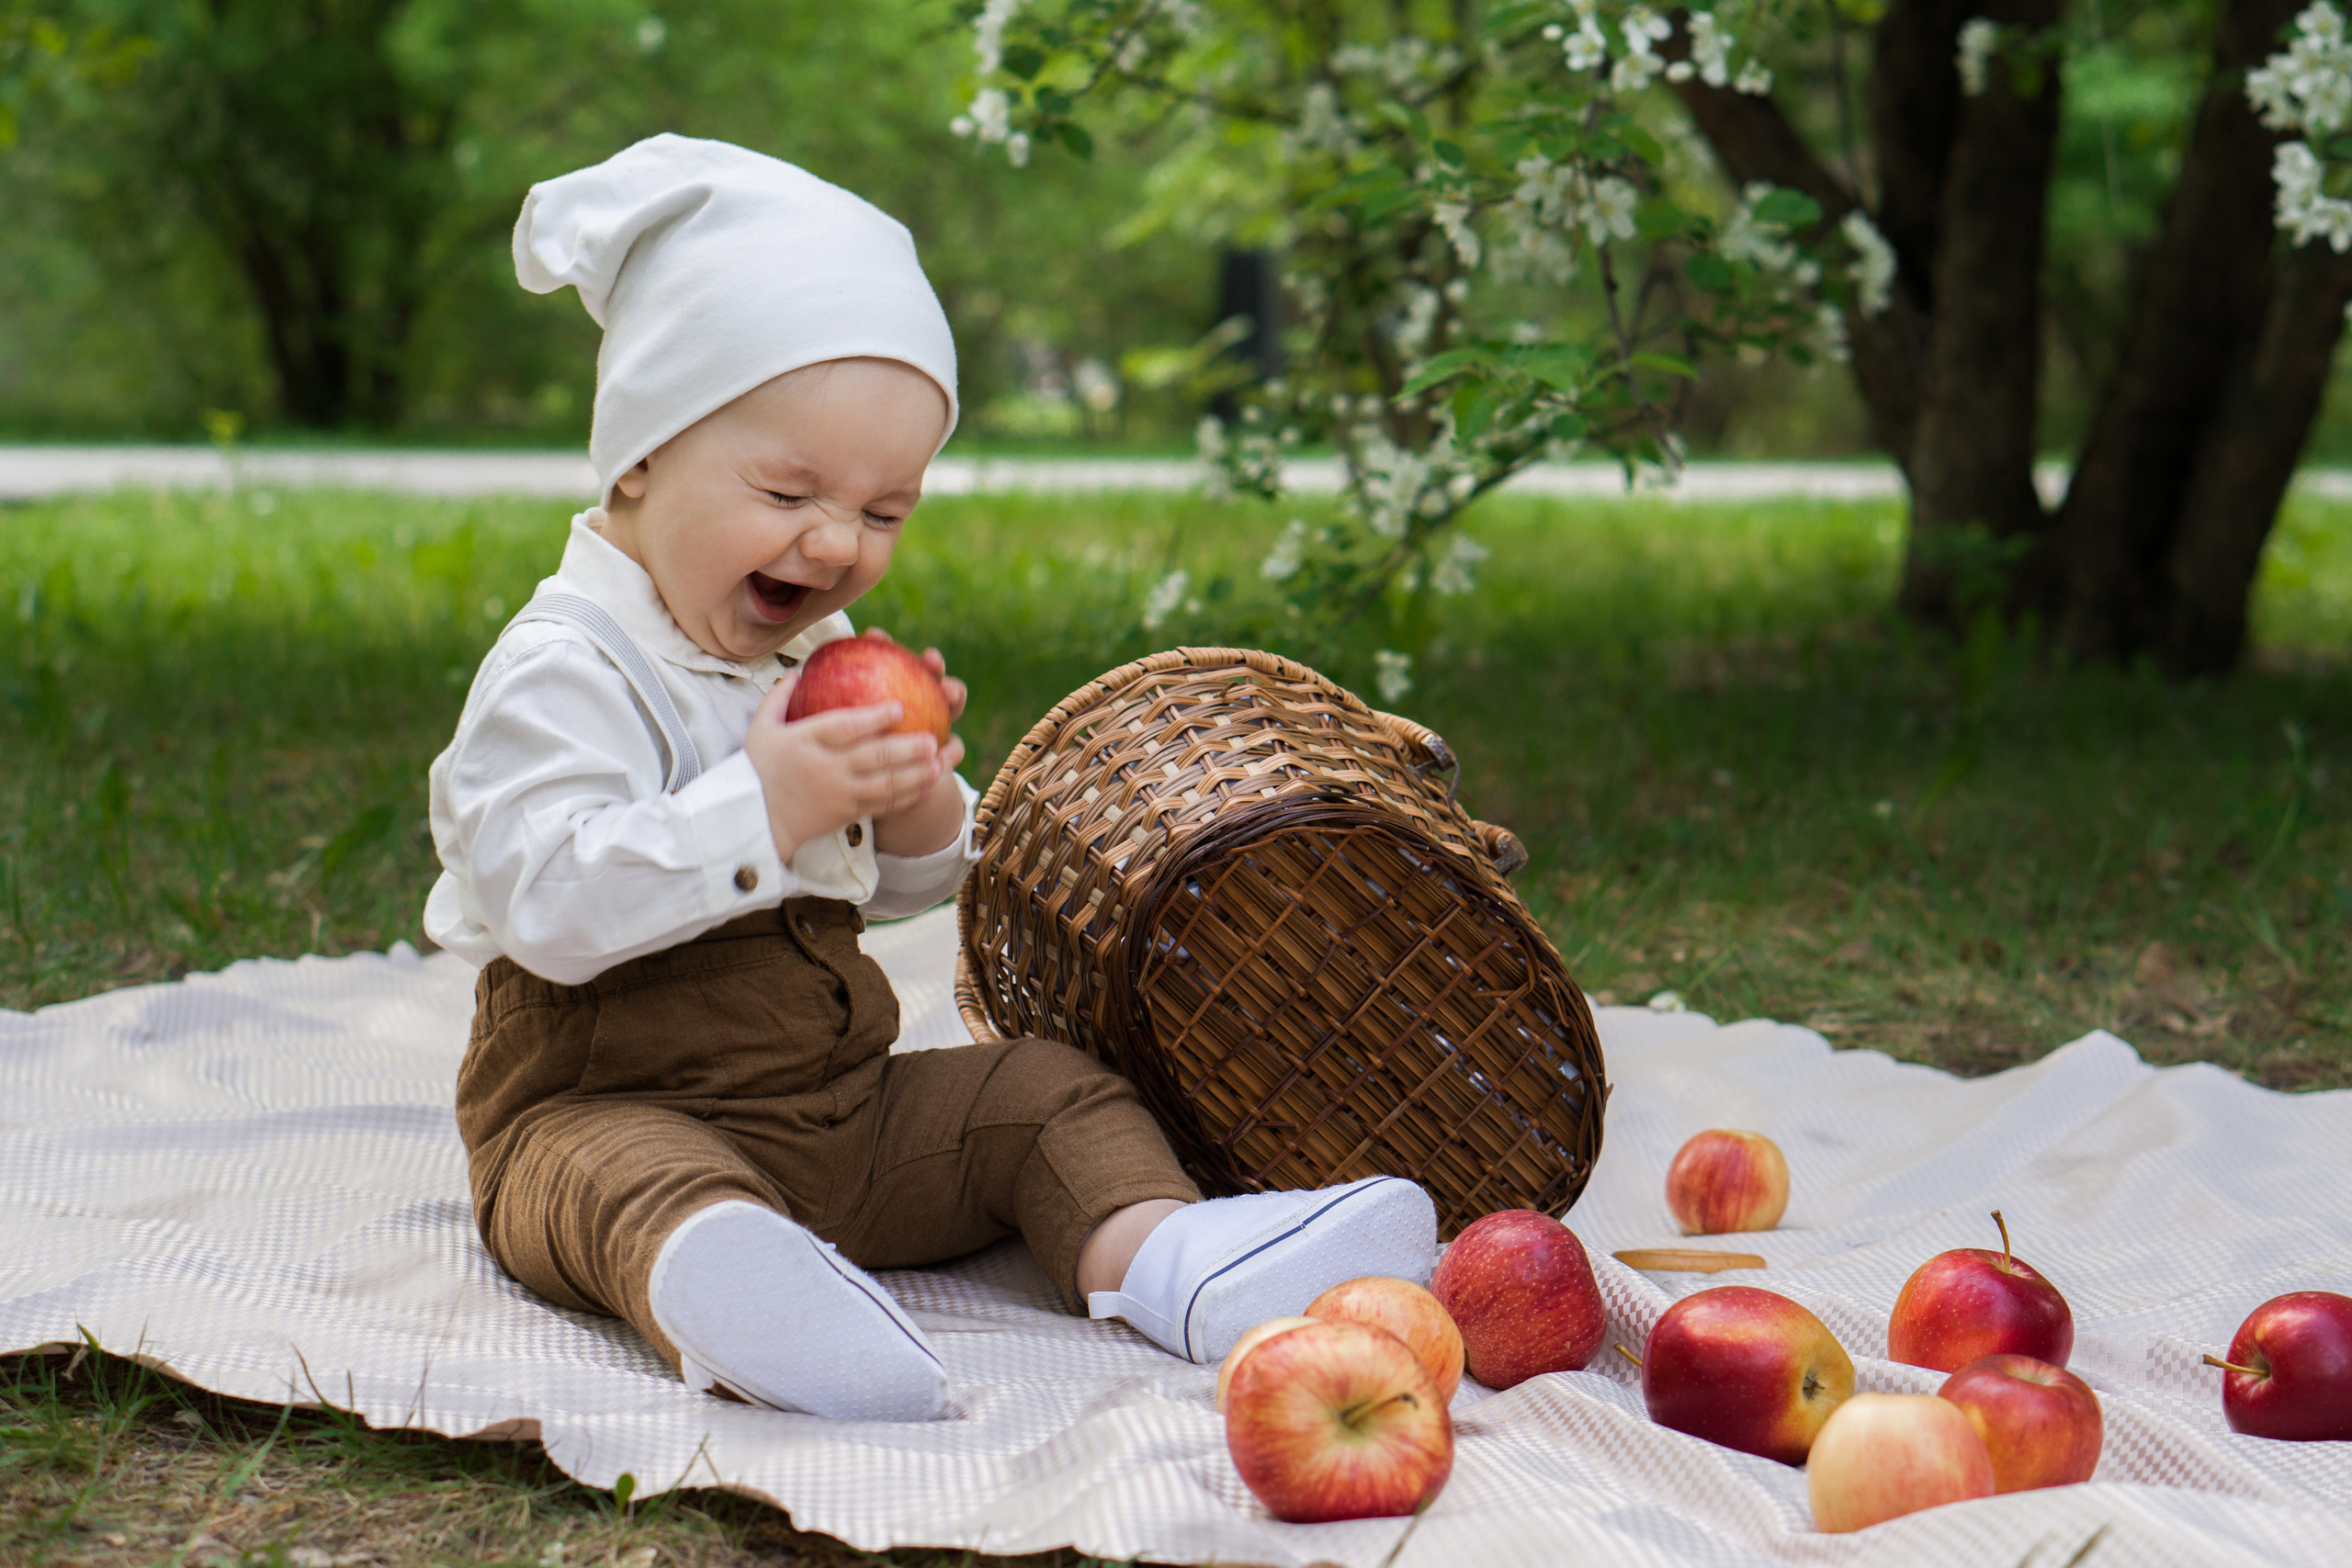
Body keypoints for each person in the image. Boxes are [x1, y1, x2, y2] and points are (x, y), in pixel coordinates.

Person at [424, 135, 1435, 1424]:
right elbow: (547, 906)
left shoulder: (814, 651)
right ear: (638, 455)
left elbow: (895, 888)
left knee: (1048, 1092)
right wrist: (767, 804)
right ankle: (741, 1293)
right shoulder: (566, 668)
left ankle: (1169, 1263)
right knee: (616, 1182)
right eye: (789, 488)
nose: (838, 541)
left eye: (887, 511)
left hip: (835, 1113)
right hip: (609, 1099)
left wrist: (908, 810)